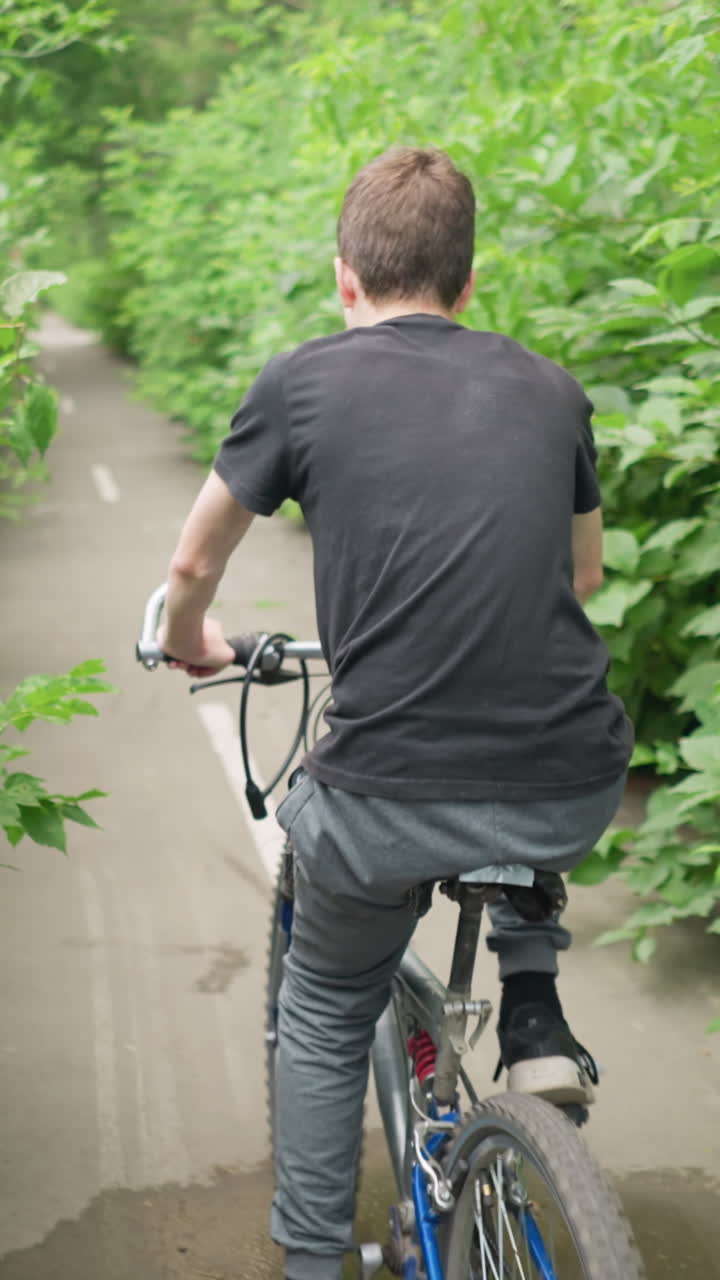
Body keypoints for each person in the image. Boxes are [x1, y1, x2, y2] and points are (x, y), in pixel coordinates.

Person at [158, 147, 633, 1280]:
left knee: (326, 1002)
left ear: (345, 280)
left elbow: (192, 560)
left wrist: (191, 641)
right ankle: (533, 1006)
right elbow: (584, 578)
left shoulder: (300, 383)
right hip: (571, 774)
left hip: (382, 797)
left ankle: (314, 1259)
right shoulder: (551, 388)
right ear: (469, 287)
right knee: (524, 791)